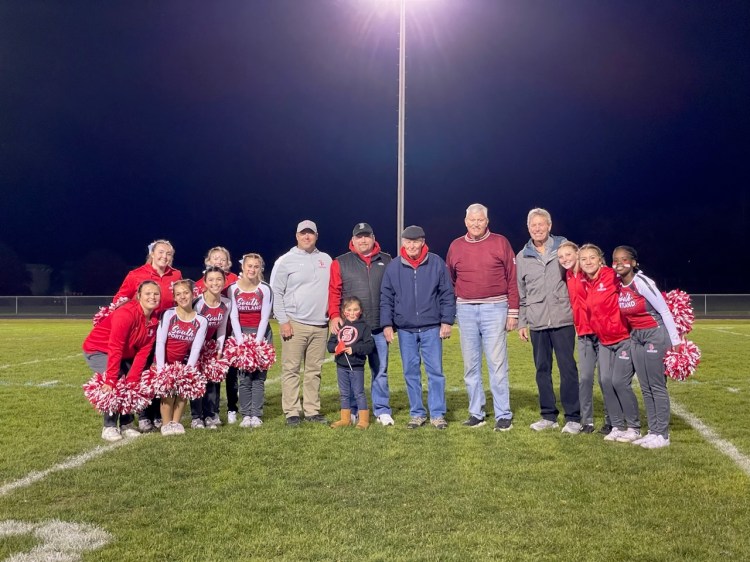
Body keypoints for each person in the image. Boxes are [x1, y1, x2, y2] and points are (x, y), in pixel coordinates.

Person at [446, 203, 518, 432]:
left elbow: (512, 278)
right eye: (472, 220)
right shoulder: (456, 245)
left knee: (497, 364)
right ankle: (476, 413)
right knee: (471, 365)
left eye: (480, 220)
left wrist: (513, 312)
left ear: (487, 221)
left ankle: (503, 414)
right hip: (466, 310)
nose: (476, 224)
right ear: (465, 221)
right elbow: (450, 279)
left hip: (495, 308)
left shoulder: (500, 242)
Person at [380, 225, 456, 430]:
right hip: (406, 329)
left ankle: (437, 414)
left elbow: (447, 293)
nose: (412, 245)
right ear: (403, 243)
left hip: (432, 327)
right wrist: (387, 324)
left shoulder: (436, 263)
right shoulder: (394, 267)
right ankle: (417, 413)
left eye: (415, 241)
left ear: (423, 242)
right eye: (408, 241)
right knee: (410, 372)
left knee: (435, 372)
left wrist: (447, 321)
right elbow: (386, 297)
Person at [516, 208, 581, 433]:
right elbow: (522, 293)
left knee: (567, 368)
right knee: (542, 369)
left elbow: (579, 277)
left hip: (563, 318)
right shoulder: (522, 256)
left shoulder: (564, 248)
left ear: (549, 226)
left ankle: (573, 417)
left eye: (541, 224)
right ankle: (548, 416)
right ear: (528, 228)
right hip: (537, 321)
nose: (537, 229)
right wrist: (522, 322)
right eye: (533, 225)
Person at [613, 245, 681, 449]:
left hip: (655, 334)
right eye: (615, 260)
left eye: (624, 259)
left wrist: (675, 341)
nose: (619, 263)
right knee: (645, 386)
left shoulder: (642, 282)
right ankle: (653, 431)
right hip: (636, 336)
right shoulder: (619, 285)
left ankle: (663, 435)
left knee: (657, 385)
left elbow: (664, 311)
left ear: (633, 262)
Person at [328, 222, 394, 426]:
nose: (363, 240)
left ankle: (382, 410)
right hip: (352, 328)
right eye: (359, 236)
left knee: (380, 370)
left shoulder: (387, 260)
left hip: (378, 326)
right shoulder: (340, 262)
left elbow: (393, 292)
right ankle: (353, 410)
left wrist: (390, 322)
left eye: (367, 236)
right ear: (353, 240)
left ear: (373, 238)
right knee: (350, 370)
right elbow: (334, 291)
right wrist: (334, 315)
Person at [113, 239, 182, 432]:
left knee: (157, 372)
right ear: (152, 254)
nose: (164, 257)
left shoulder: (176, 274)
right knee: (141, 372)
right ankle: (142, 416)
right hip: (142, 332)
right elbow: (119, 300)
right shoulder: (135, 275)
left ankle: (156, 415)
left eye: (168, 254)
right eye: (160, 252)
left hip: (165, 333)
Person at [270, 220, 332, 426]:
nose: (307, 237)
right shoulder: (286, 260)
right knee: (291, 369)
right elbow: (277, 293)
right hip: (295, 323)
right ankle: (292, 412)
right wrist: (283, 321)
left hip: (321, 325)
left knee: (314, 371)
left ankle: (312, 410)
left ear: (316, 236)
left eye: (310, 233)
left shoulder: (326, 259)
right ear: (296, 236)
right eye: (303, 233)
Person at [82, 280, 161, 441]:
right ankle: (109, 427)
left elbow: (143, 352)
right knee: (117, 379)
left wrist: (133, 379)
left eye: (156, 294)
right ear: (139, 295)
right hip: (98, 349)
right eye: (148, 293)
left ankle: (126, 424)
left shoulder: (154, 320)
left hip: (125, 353)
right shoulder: (126, 313)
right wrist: (110, 379)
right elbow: (115, 347)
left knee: (131, 383)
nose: (152, 297)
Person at [577, 244, 640, 442]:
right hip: (604, 341)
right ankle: (618, 426)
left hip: (622, 338)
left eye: (592, 257)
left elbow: (634, 281)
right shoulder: (587, 282)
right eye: (583, 259)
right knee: (605, 381)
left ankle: (634, 427)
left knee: (619, 382)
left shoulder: (611, 276)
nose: (588, 262)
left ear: (600, 260)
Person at [558, 241, 610, 434]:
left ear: (577, 255)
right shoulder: (568, 275)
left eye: (568, 255)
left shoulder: (587, 273)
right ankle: (587, 421)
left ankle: (611, 419)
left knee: (604, 378)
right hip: (583, 333)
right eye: (561, 256)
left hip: (601, 332)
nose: (565, 259)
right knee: (586, 378)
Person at [154, 279, 208, 436]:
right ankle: (166, 424)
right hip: (165, 362)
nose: (183, 297)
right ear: (174, 297)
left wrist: (188, 371)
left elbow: (196, 347)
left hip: (184, 362)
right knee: (168, 394)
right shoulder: (169, 314)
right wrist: (161, 369)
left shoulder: (201, 320)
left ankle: (176, 423)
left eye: (186, 292)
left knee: (183, 392)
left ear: (193, 294)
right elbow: (160, 341)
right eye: (178, 294)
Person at [193, 246, 240, 423]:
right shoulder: (200, 285)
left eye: (222, 258)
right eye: (215, 258)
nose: (219, 261)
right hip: (202, 338)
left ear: (228, 262)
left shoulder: (235, 281)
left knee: (229, 374)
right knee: (204, 375)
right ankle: (201, 414)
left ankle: (229, 409)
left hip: (226, 334)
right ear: (208, 261)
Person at [228, 253, 274, 429]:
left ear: (260, 268)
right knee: (244, 378)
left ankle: (257, 415)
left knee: (258, 378)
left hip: (261, 335)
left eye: (256, 266)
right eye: (249, 266)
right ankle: (246, 414)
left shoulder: (265, 289)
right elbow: (233, 316)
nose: (252, 269)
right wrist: (241, 342)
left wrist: (257, 343)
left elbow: (264, 317)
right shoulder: (233, 289)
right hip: (240, 335)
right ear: (243, 267)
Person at [190, 266, 231, 430]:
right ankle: (196, 417)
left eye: (219, 279)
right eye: (211, 280)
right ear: (205, 283)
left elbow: (221, 327)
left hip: (211, 346)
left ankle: (211, 415)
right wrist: (196, 352)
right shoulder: (198, 303)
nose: (215, 283)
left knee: (213, 381)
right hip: (193, 346)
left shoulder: (226, 303)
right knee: (196, 381)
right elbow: (191, 328)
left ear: (224, 281)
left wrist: (219, 350)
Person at [327, 297, 375, 429]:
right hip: (341, 366)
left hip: (356, 367)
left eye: (355, 310)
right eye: (349, 310)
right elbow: (330, 345)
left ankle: (363, 419)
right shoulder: (339, 326)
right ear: (343, 311)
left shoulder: (364, 327)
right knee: (344, 394)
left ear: (360, 311)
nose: (352, 313)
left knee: (359, 393)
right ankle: (345, 419)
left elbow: (369, 346)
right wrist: (336, 348)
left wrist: (354, 349)